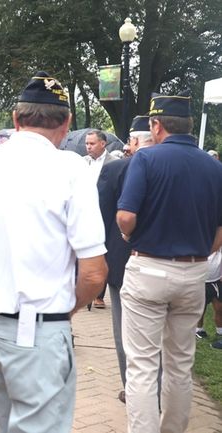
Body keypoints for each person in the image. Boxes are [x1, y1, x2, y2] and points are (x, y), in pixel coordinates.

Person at [0, 71, 108, 433]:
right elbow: (95, 273)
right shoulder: (71, 169)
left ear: (16, 119)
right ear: (66, 123)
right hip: (39, 324)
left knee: (8, 423)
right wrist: (68, 308)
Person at [117, 90, 222, 433]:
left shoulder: (146, 160)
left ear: (156, 125)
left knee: (143, 366)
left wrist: (130, 236)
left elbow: (125, 216)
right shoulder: (213, 165)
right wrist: (203, 252)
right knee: (180, 363)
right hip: (193, 271)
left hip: (148, 267)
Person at [96, 114, 153, 404]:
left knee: (124, 331)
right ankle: (157, 387)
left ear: (133, 141)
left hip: (122, 258)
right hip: (173, 262)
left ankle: (131, 386)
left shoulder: (116, 169)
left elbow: (102, 217)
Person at [84, 129, 116, 308]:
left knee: (103, 253)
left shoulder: (115, 163)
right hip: (85, 213)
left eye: (92, 143)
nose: (88, 147)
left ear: (103, 144)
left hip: (106, 214)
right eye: (87, 143)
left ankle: (99, 294)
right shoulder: (82, 163)